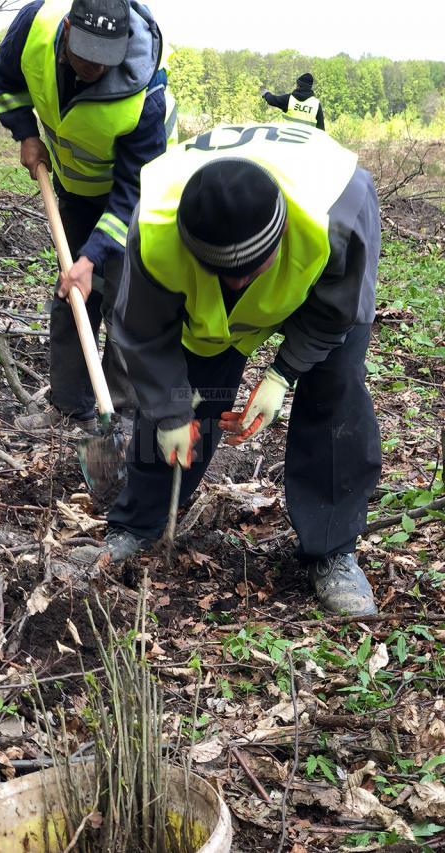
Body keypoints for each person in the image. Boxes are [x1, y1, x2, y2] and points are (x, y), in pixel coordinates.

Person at [82, 122, 382, 617]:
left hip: (315, 283)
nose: (239, 281)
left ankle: (332, 552)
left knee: (336, 389)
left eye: (250, 268)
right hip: (209, 319)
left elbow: (341, 310)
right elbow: (144, 333)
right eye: (224, 270)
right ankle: (137, 524)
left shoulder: (338, 210)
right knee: (184, 400)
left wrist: (284, 372)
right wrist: (173, 412)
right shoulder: (155, 225)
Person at [0, 0, 177, 430]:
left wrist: (92, 258)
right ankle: (69, 407)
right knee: (71, 295)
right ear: (68, 28)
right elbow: (6, 78)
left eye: (105, 60)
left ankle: (124, 415)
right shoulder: (34, 28)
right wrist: (24, 132)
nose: (94, 67)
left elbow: (134, 191)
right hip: (74, 190)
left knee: (129, 307)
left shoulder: (144, 96)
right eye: (85, 55)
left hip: (139, 199)